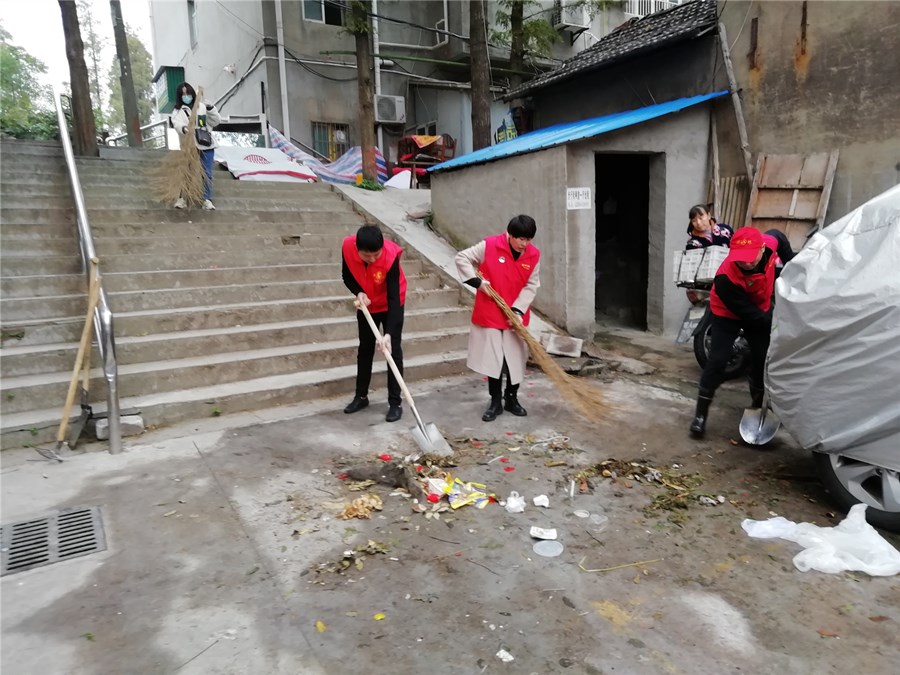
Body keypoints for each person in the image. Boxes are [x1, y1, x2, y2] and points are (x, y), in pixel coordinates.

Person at [689, 227, 780, 437]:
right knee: (717, 360)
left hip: (760, 305)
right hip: (727, 313)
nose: (746, 263)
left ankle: (757, 406)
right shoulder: (725, 278)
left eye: (750, 257)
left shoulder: (771, 244)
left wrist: (792, 264)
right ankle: (700, 415)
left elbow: (780, 239)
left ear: (762, 248)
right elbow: (751, 315)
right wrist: (774, 321)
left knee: (761, 358)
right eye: (741, 258)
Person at [455, 215, 541, 422]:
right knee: (493, 361)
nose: (524, 244)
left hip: (515, 315)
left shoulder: (533, 255)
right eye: (521, 239)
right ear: (510, 235)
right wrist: (478, 283)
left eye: (528, 239)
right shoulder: (490, 245)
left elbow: (532, 285)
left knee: (515, 359)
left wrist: (517, 311)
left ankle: (511, 398)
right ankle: (495, 402)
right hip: (491, 311)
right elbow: (462, 258)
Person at [341, 225, 407, 423]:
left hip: (391, 304)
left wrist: (389, 334)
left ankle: (395, 403)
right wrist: (358, 292)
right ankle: (361, 397)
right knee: (365, 349)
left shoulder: (390, 256)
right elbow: (347, 276)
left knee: (392, 351)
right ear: (357, 248)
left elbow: (394, 297)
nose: (372, 259)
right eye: (366, 255)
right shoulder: (347, 247)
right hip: (367, 304)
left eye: (376, 255)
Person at [170, 82, 221, 210]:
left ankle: (207, 199)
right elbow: (176, 123)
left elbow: (215, 121)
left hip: (206, 144)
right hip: (189, 146)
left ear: (192, 93)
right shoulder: (178, 111)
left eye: (188, 93)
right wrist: (184, 128)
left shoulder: (201, 107)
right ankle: (182, 199)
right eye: (183, 94)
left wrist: (211, 109)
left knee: (207, 173)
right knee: (186, 172)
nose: (186, 96)